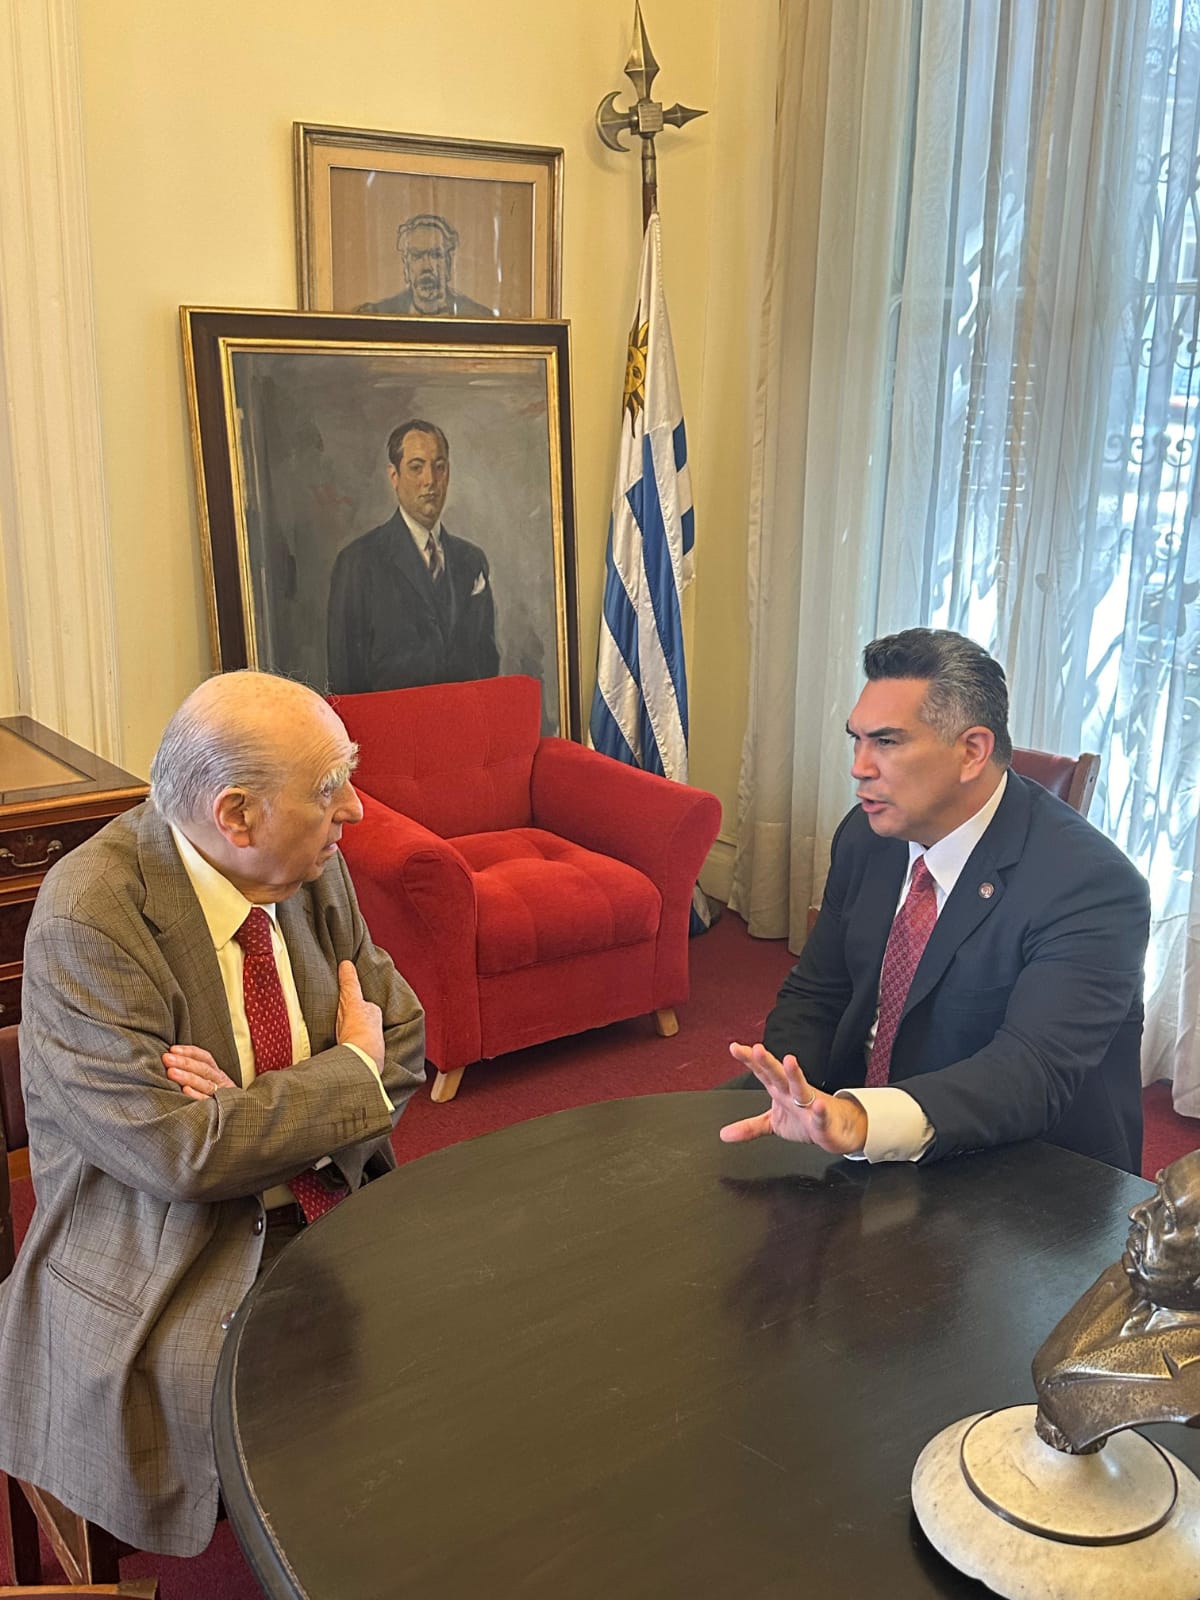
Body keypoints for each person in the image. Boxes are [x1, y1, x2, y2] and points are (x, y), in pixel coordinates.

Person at [0, 671, 426, 1558]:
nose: (352, 809)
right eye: (326, 788)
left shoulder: (310, 865)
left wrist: (244, 1110)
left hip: (333, 1203)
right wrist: (344, 1071)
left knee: (475, 1339)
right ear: (236, 816)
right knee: (284, 1397)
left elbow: (409, 1044)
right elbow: (180, 1163)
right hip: (160, 1250)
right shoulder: (91, 913)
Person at [721, 628, 1150, 1173]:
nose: (859, 765)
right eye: (856, 739)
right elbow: (818, 989)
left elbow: (1031, 1072)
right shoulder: (867, 834)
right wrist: (790, 1089)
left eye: (887, 742)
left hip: (1023, 1169)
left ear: (972, 751)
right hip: (853, 1121)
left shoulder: (1092, 886)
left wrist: (864, 1120)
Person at [1033, 1149, 1200, 1452]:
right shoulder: (1122, 1278)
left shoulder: (1191, 1379)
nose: (1137, 1212)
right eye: (1155, 1194)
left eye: (1167, 1215)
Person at [327, 418, 500, 693]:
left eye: (439, 467)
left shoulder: (471, 560)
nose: (430, 480)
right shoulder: (358, 563)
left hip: (463, 728)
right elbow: (346, 681)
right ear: (393, 476)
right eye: (416, 468)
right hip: (392, 730)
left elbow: (487, 663)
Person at [358, 213, 496, 318]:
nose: (427, 267)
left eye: (436, 255)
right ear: (406, 265)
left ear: (448, 263)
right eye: (417, 256)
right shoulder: (378, 315)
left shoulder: (480, 317)